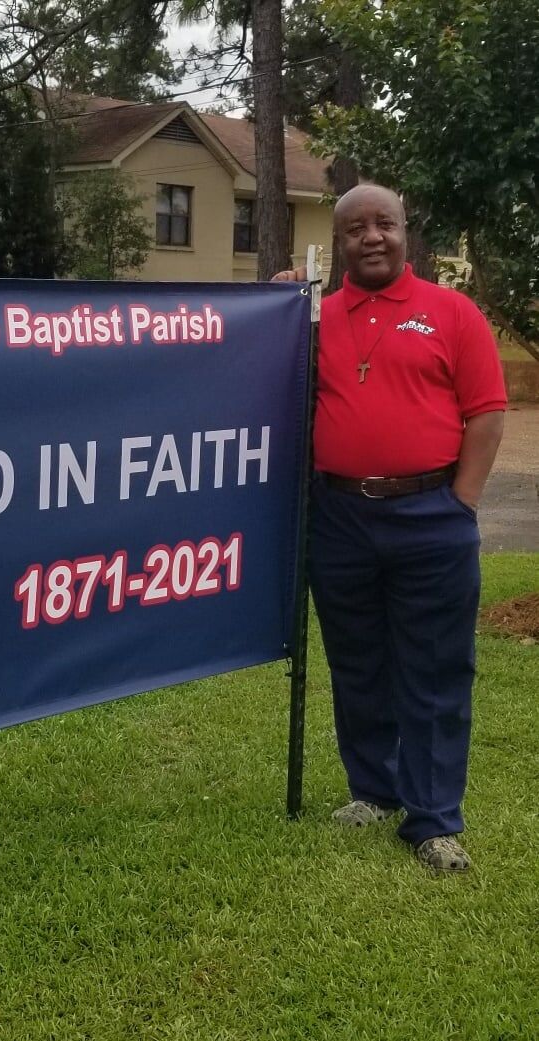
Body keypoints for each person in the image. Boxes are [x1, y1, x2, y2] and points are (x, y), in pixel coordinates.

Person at [273, 184, 506, 872]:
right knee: (358, 662)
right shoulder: (313, 317)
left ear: (406, 232)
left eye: (384, 225)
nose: (371, 237)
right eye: (355, 229)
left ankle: (432, 819)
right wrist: (281, 299)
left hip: (431, 515)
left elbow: (487, 413)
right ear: (339, 242)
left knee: (435, 668)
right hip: (339, 516)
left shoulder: (451, 312)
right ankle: (372, 790)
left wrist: (459, 501)